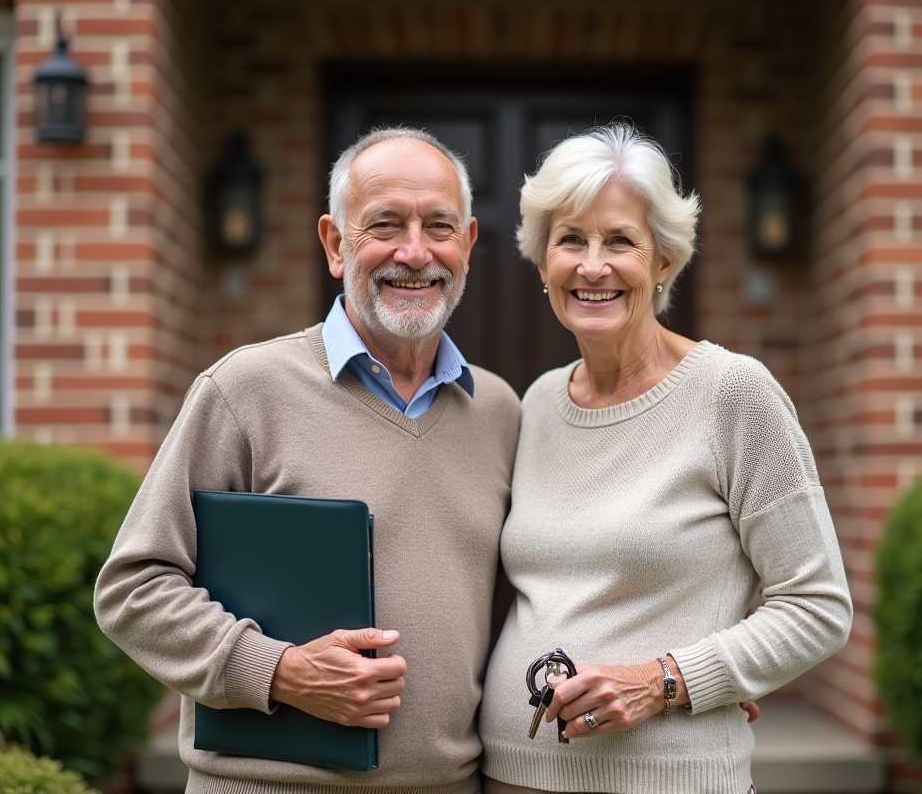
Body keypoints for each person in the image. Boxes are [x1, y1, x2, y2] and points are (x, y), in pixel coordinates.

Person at [95, 127, 521, 794]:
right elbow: (133, 589)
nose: (415, 251)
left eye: (438, 226)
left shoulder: (499, 411)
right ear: (334, 243)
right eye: (385, 223)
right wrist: (280, 670)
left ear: (467, 245)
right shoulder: (244, 390)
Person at [479, 124, 854, 794]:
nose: (593, 266)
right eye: (571, 240)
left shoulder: (733, 394)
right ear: (543, 265)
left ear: (663, 262)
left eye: (619, 240)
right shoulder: (536, 404)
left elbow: (817, 605)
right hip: (509, 774)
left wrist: (667, 680)